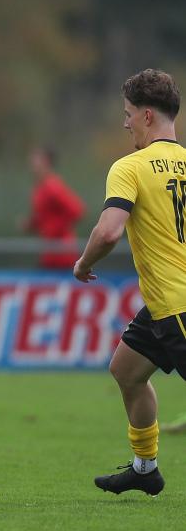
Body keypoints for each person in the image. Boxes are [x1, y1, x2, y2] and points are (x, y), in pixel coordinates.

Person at [73, 69, 186, 497]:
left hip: (178, 305)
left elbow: (107, 232)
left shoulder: (130, 167)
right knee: (127, 369)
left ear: (148, 115)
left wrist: (83, 264)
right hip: (162, 306)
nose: (125, 124)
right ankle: (145, 468)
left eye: (128, 115)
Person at [24, 146, 85, 269]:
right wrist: (32, 224)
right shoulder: (39, 187)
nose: (31, 163)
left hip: (61, 253)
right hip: (49, 252)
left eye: (35, 159)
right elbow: (45, 215)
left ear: (46, 162)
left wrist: (52, 230)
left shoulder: (52, 186)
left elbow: (77, 210)